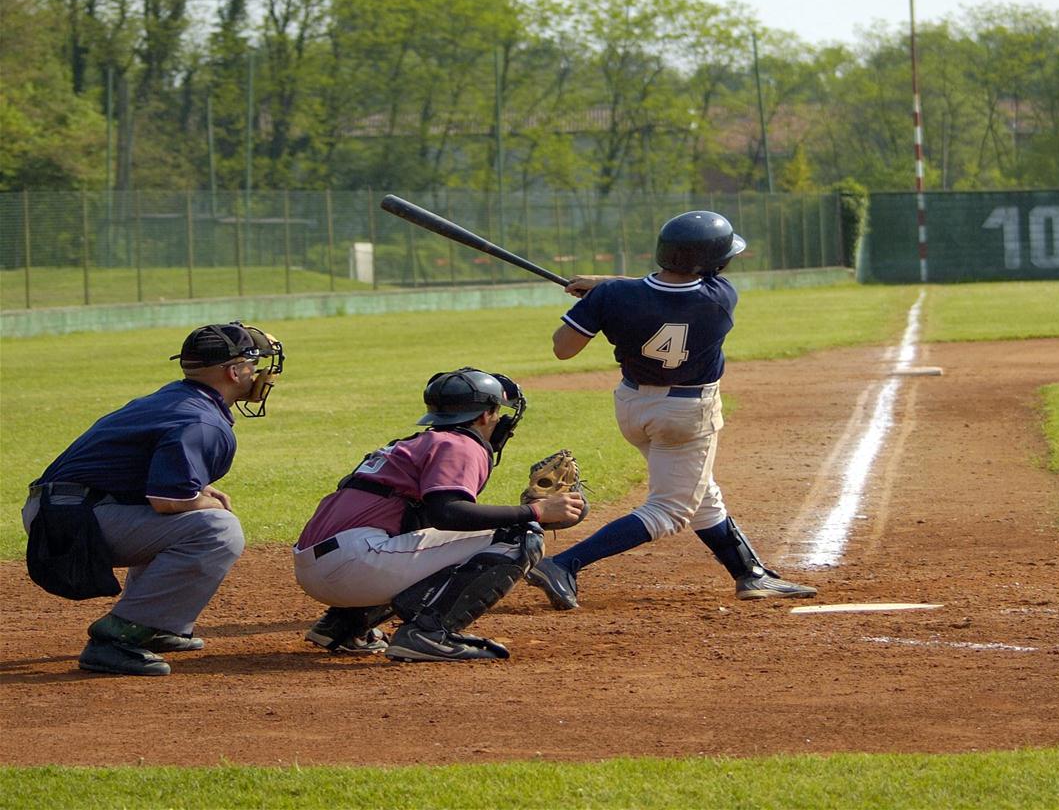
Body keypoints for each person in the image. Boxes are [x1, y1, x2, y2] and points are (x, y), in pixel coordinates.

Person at [526, 210, 817, 611]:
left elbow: (564, 348)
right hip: (684, 414)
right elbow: (668, 295)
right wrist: (607, 287)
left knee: (701, 494)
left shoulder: (613, 298)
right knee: (671, 509)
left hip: (632, 407)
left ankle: (750, 574)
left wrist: (598, 297)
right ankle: (563, 564)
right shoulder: (720, 299)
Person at [22, 321, 285, 677]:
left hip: (69, 506)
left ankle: (159, 624)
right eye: (253, 365)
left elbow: (146, 476)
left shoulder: (178, 397)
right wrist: (204, 501)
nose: (258, 374)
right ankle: (118, 637)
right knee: (216, 528)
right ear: (233, 372)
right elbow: (167, 502)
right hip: (71, 518)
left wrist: (197, 492)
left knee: (191, 520)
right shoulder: (201, 420)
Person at [293, 367, 586, 663]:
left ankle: (344, 625)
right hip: (356, 563)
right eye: (497, 412)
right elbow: (448, 514)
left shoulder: (413, 444)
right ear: (485, 415)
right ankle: (430, 634)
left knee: (437, 538)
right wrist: (535, 512)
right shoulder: (461, 444)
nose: (500, 421)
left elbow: (433, 520)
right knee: (522, 535)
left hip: (318, 565)